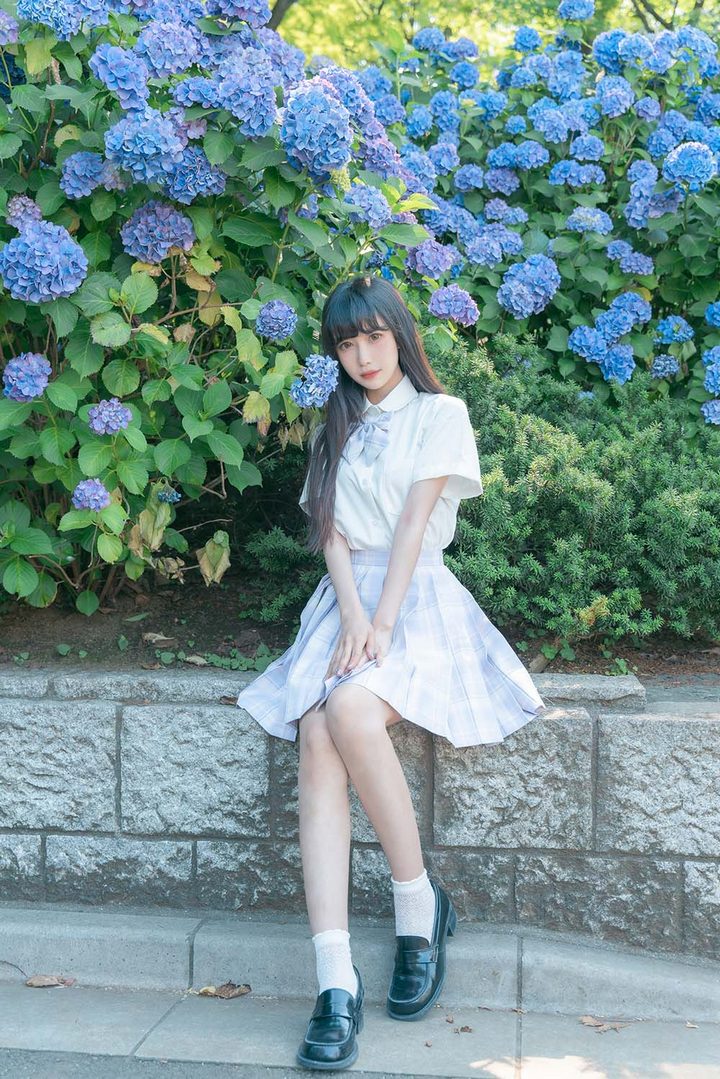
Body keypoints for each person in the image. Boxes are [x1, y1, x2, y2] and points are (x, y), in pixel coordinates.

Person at [236, 273, 548, 1071]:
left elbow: (413, 524)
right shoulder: (334, 427)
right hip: (345, 602)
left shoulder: (441, 414)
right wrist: (351, 616)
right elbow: (332, 534)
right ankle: (335, 981)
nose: (363, 355)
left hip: (417, 600)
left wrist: (380, 623)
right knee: (317, 729)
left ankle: (417, 905)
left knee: (344, 711)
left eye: (374, 336)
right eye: (347, 343)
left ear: (400, 335)